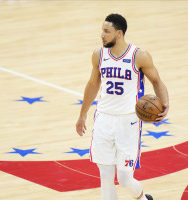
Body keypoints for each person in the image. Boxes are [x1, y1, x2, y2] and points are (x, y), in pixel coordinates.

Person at [76, 13, 169, 200]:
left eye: (106, 31)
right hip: (103, 119)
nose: (101, 35)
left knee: (125, 179)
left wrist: (165, 104)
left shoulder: (139, 56)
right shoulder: (98, 54)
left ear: (119, 33)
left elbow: (156, 81)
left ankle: (143, 198)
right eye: (102, 31)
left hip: (129, 122)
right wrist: (83, 114)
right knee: (105, 177)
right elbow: (93, 84)